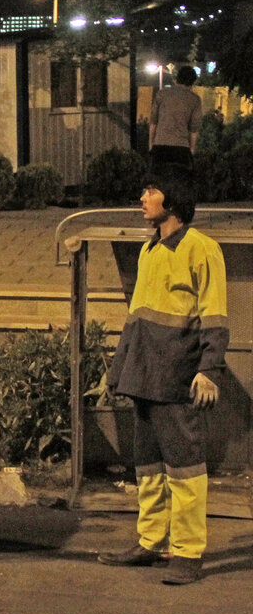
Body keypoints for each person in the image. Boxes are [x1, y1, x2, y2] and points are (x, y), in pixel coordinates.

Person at [97, 170, 227, 585]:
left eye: (151, 190)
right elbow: (136, 316)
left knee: (185, 469)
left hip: (176, 377)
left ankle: (187, 553)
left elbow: (215, 316)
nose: (143, 197)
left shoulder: (201, 249)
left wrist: (209, 369)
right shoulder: (149, 249)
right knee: (148, 468)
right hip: (145, 375)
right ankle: (151, 542)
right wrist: (119, 369)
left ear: (171, 200)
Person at [148, 65, 202, 171]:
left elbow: (153, 122)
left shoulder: (162, 94)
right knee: (180, 179)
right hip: (181, 148)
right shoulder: (195, 100)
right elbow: (194, 130)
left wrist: (151, 145)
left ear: (177, 79)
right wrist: (191, 151)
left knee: (159, 178)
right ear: (192, 82)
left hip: (160, 145)